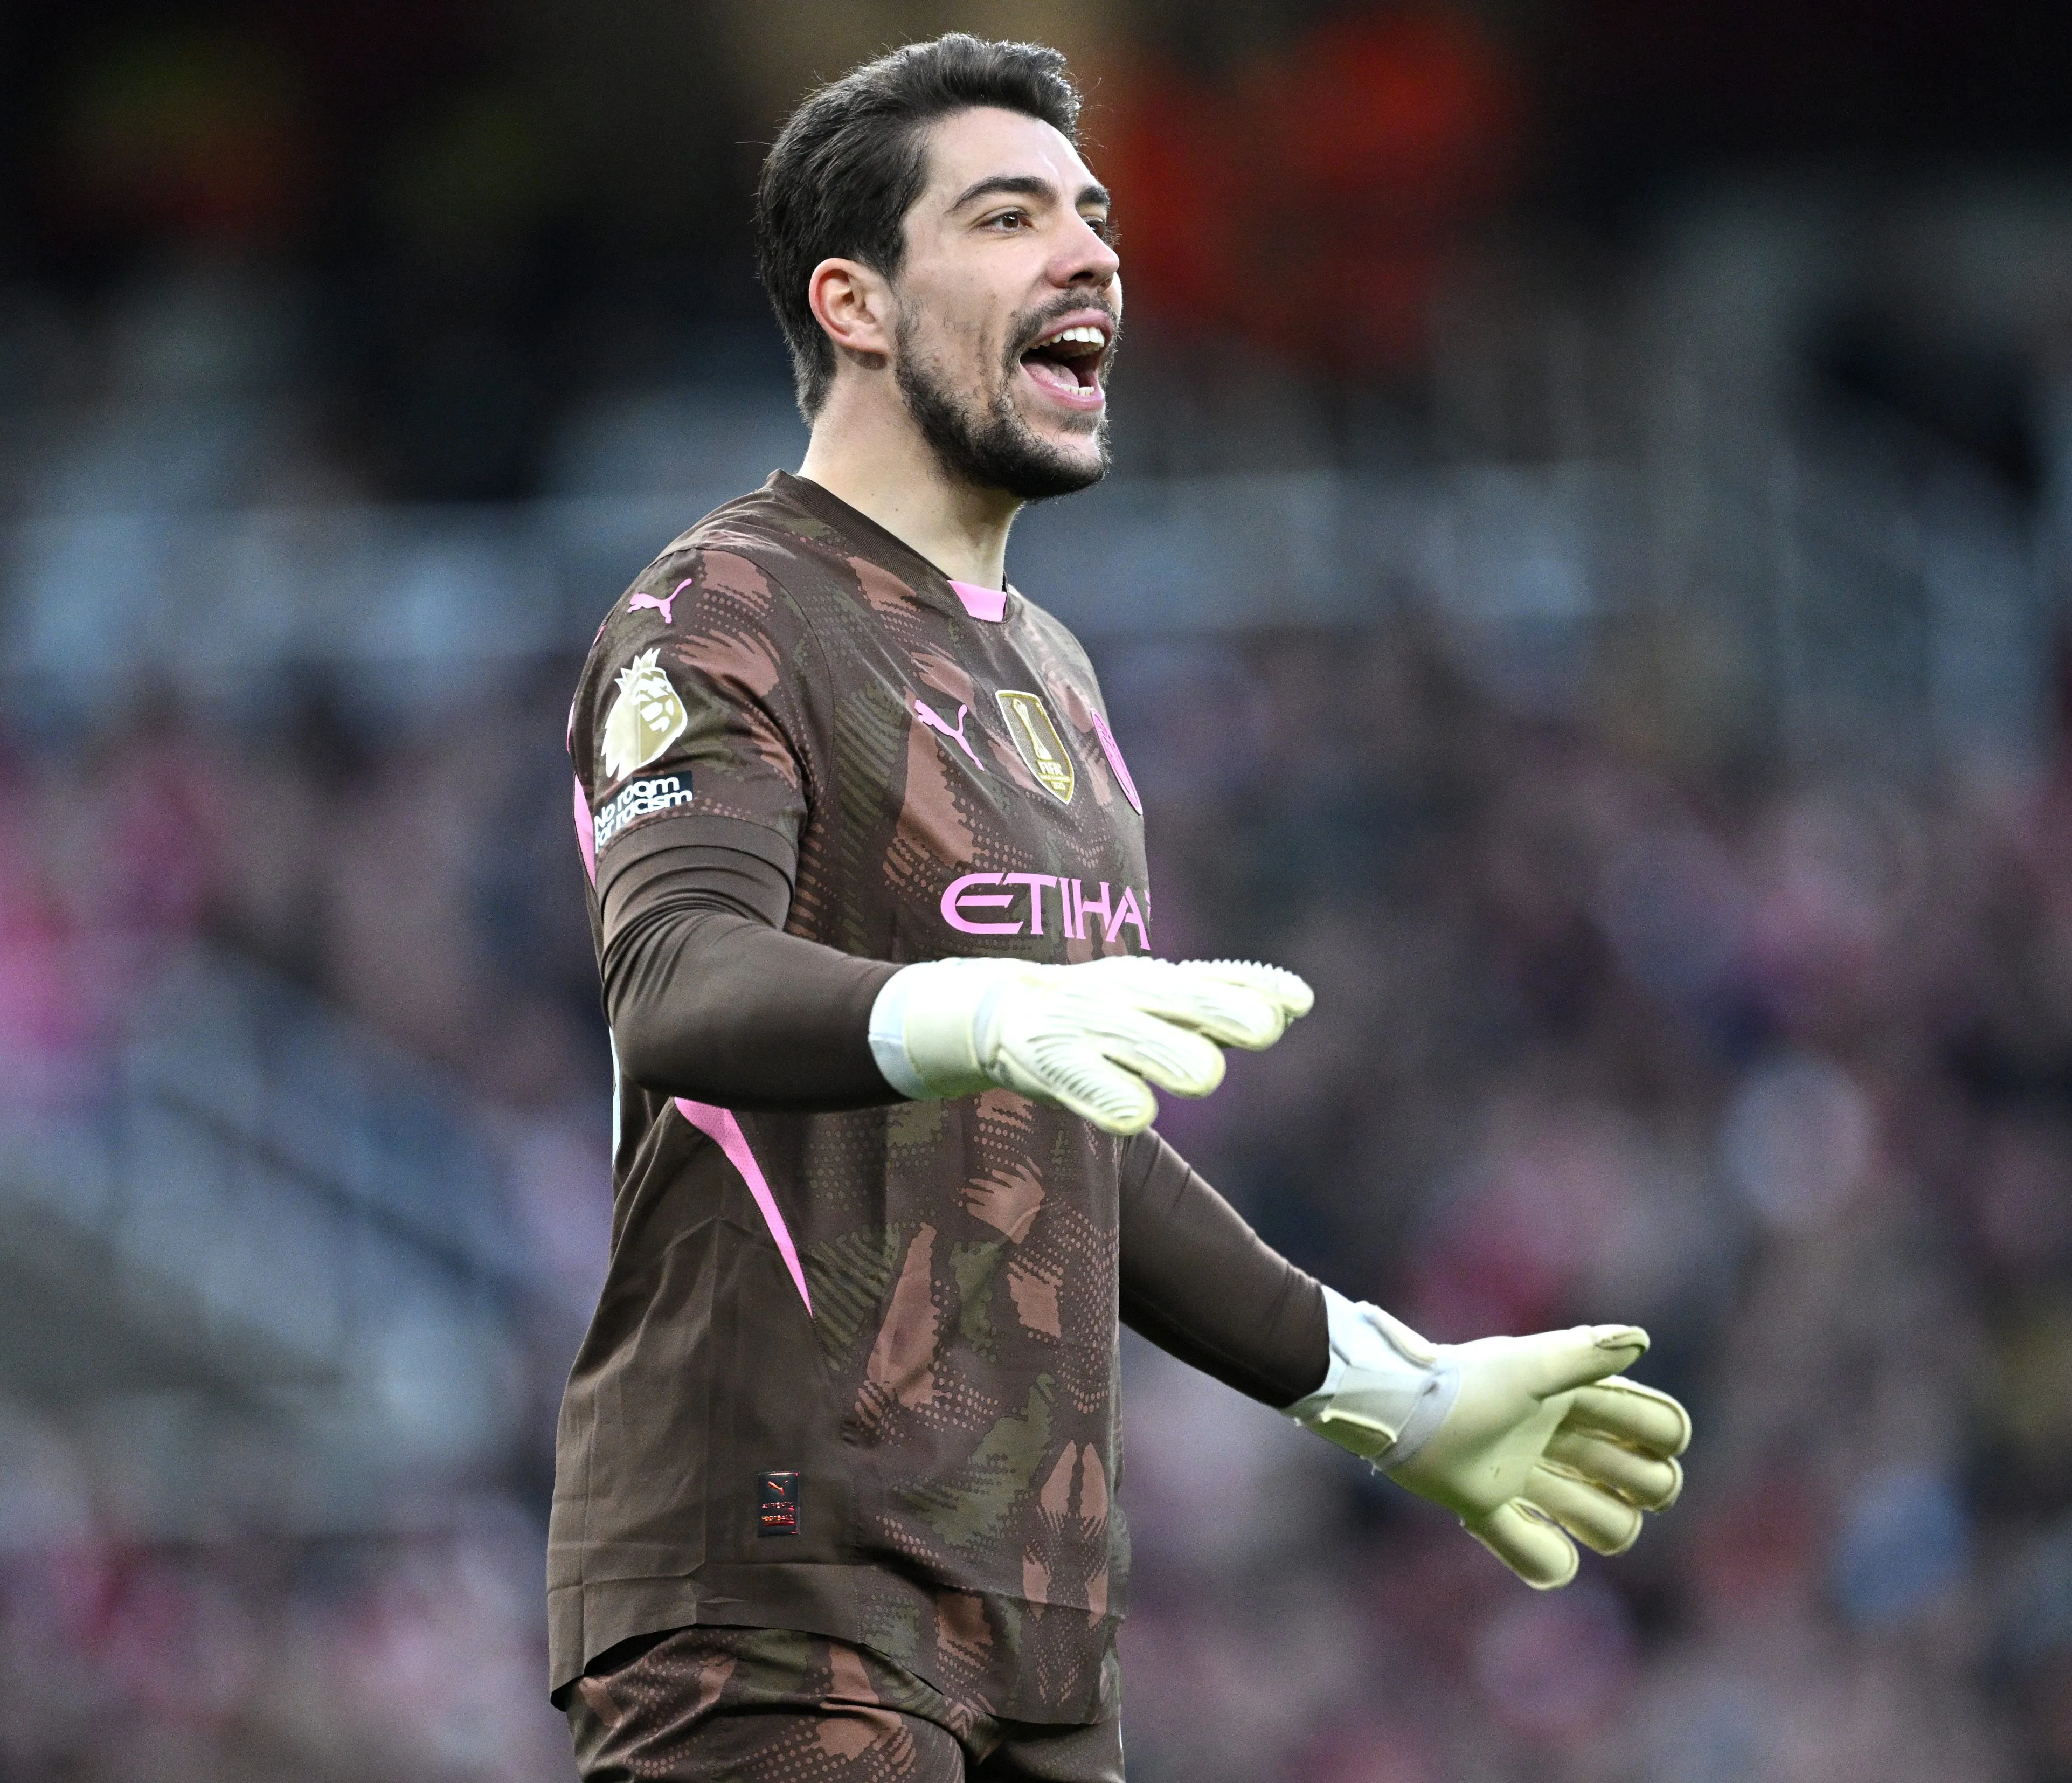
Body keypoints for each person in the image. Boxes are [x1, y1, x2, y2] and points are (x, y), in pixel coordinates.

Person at [554, 36, 1690, 1781]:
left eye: (1093, 217)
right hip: (774, 1585)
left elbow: (1058, 1126)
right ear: (855, 304)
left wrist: (1392, 1387)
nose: (1091, 253)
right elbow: (678, 980)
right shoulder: (720, 605)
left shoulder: (1059, 684)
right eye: (1009, 218)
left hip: (1033, 1613)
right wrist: (983, 1007)